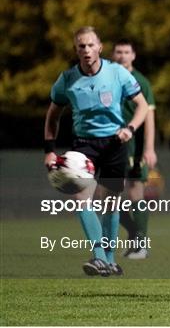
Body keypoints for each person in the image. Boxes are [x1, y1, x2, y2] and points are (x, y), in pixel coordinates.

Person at [44, 27, 149, 276]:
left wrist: (130, 129)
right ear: (76, 50)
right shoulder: (67, 79)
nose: (86, 50)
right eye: (81, 46)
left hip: (114, 143)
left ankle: (110, 259)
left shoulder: (117, 73)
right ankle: (99, 256)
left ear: (100, 47)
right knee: (82, 198)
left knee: (111, 204)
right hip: (83, 145)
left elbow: (142, 106)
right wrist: (49, 150)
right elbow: (52, 116)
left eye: (91, 45)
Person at [112, 39, 157, 260]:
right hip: (109, 146)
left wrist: (149, 148)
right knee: (103, 198)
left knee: (134, 193)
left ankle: (141, 244)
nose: (122, 55)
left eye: (126, 52)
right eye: (118, 52)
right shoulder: (107, 78)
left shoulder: (140, 81)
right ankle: (133, 232)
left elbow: (149, 116)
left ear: (133, 55)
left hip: (134, 147)